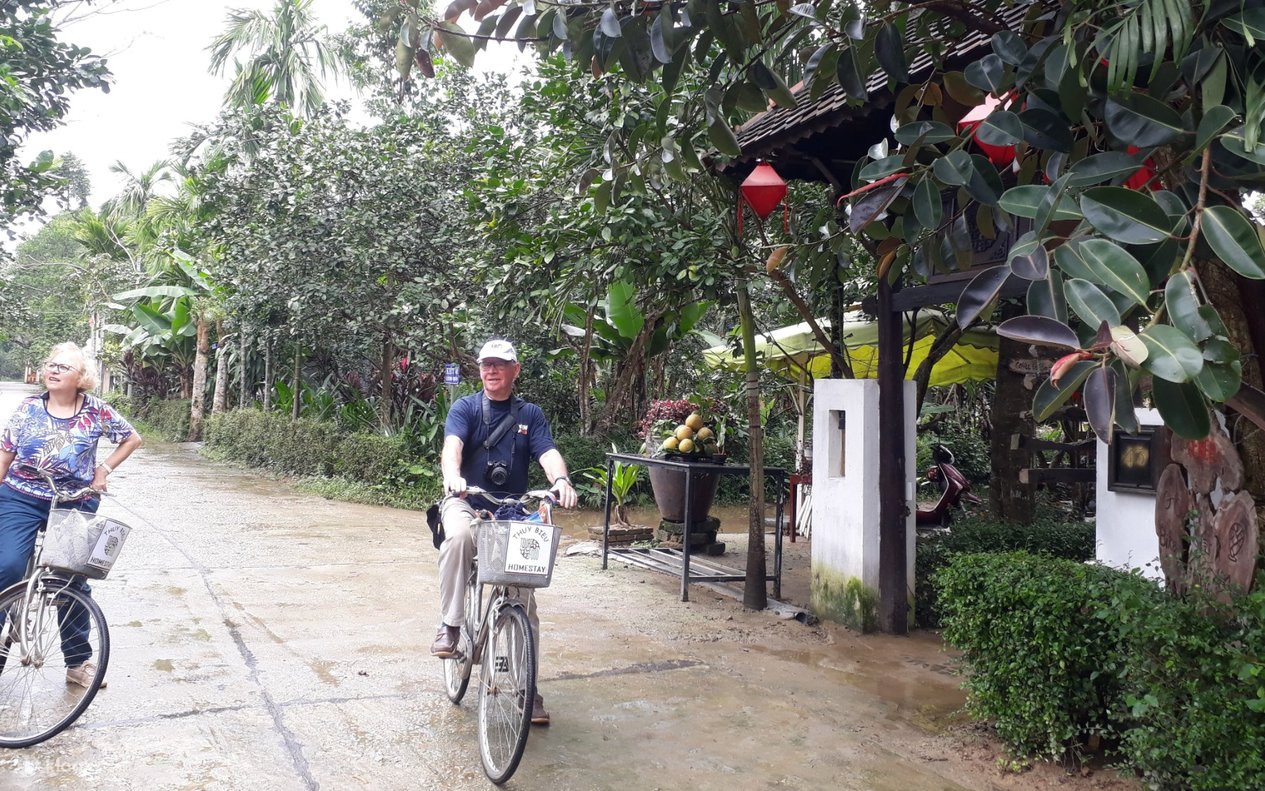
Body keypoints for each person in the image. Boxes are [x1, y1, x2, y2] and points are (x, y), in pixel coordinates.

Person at [432, 339, 577, 726]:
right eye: (486, 364)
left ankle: (526, 687)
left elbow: (547, 452)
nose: (491, 370)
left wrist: (561, 480)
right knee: (458, 537)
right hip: (466, 501)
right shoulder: (465, 408)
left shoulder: (530, 414)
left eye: (499, 364)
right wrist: (453, 477)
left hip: (511, 510)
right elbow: (452, 446)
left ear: (516, 369)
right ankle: (450, 626)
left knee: (524, 599)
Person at [0, 342, 142, 688]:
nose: (54, 370)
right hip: (21, 496)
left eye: (64, 367)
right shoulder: (29, 408)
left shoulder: (96, 411)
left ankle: (77, 662)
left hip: (74, 500)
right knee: (8, 567)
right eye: (51, 364)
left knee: (70, 580)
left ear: (82, 377)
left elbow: (131, 438)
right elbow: (6, 452)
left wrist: (103, 469)